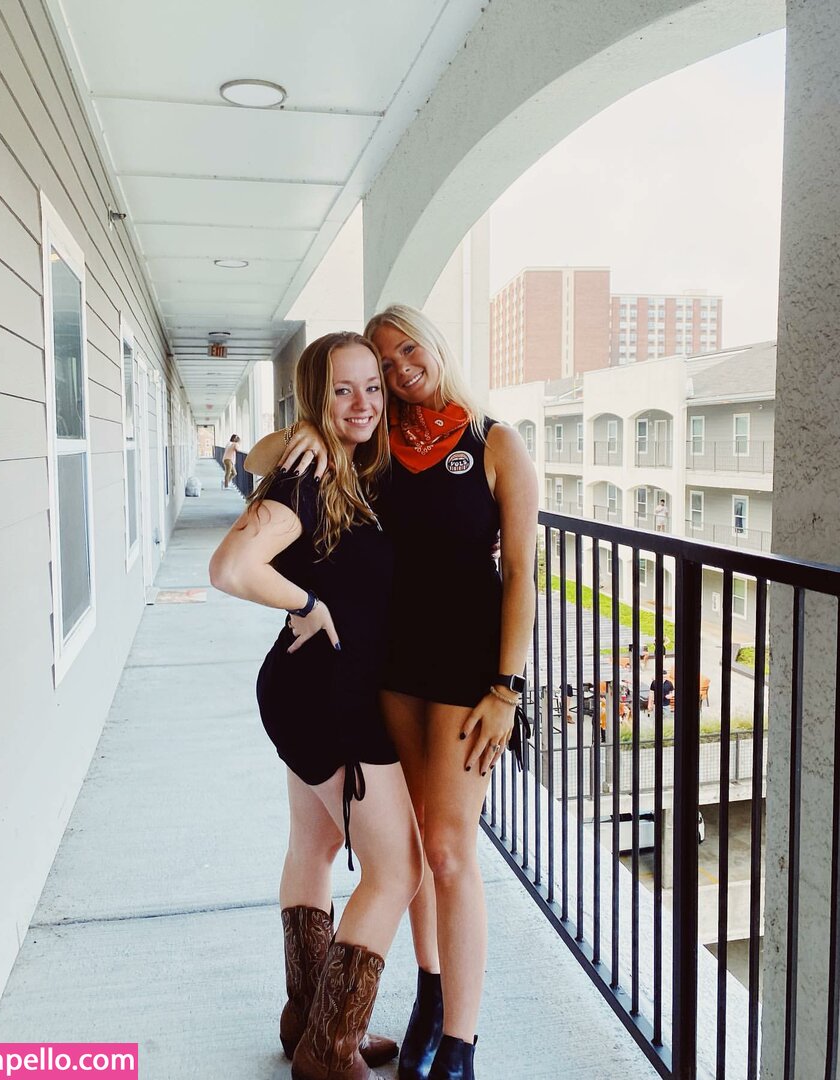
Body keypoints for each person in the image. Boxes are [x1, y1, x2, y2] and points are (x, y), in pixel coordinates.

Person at [246, 305, 537, 1080]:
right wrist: (304, 434)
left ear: (434, 345)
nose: (401, 370)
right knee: (403, 847)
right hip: (385, 672)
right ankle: (424, 998)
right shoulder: (376, 447)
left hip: (466, 678)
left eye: (409, 350)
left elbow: (522, 574)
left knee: (446, 852)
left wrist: (507, 689)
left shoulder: (495, 442)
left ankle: (459, 1045)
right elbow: (264, 457)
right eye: (383, 363)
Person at [210, 332, 423, 1080]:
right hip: (328, 697)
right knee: (398, 869)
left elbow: (263, 460)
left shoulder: (345, 466)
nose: (363, 403)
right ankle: (332, 1047)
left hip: (312, 689)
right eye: (342, 389)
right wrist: (308, 604)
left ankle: (307, 1018)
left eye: (372, 387)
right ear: (315, 398)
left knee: (315, 849)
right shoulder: (310, 473)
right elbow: (230, 566)